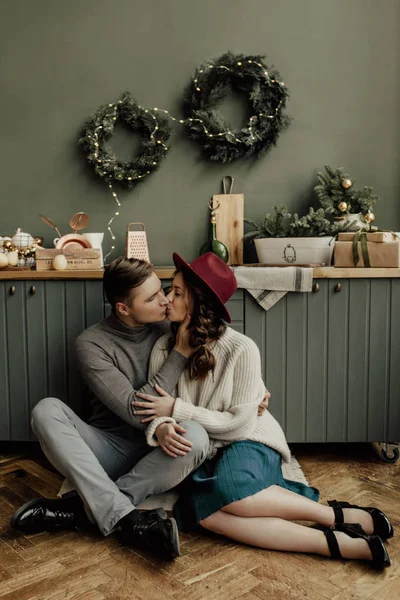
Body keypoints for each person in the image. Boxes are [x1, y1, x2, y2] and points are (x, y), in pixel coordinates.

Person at [131, 252, 393, 569]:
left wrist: (177, 408)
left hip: (249, 440)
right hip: (206, 450)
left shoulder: (241, 348)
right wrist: (163, 423)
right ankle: (333, 542)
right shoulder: (163, 349)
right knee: (203, 511)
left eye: (177, 292)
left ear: (199, 302)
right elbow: (156, 408)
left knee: (227, 489)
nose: (167, 300)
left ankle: (337, 516)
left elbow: (239, 426)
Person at [10, 257, 212, 560]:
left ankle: (82, 509)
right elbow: (134, 410)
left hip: (159, 449)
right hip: (109, 450)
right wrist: (179, 354)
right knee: (45, 410)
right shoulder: (91, 343)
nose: (165, 300)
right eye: (152, 297)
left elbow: (222, 347)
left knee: (197, 436)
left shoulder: (172, 324)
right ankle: (130, 520)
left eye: (163, 289)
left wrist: (255, 391)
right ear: (123, 308)